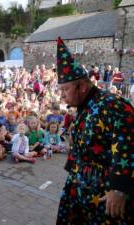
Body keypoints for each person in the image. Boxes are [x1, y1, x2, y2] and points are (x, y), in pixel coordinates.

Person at [56, 37, 134, 224]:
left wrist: (120, 189)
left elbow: (129, 146)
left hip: (105, 195)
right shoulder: (84, 106)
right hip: (79, 188)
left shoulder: (113, 105)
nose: (62, 96)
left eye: (65, 90)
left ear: (82, 86)